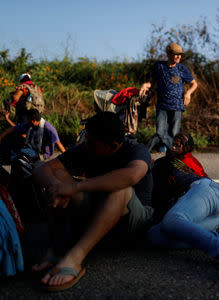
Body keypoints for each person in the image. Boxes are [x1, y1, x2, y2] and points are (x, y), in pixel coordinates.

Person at [31, 112, 154, 291]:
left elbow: (132, 175)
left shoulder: (135, 149)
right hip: (99, 211)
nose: (87, 145)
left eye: (92, 143)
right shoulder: (89, 147)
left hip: (133, 220)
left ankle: (75, 257)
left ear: (113, 146)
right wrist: (57, 187)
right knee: (56, 174)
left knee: (120, 188)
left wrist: (74, 188)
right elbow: (43, 169)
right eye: (87, 140)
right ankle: (58, 247)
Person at [148, 133, 219, 280]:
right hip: (204, 213)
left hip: (203, 190)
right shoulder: (166, 165)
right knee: (155, 235)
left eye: (178, 144)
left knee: (172, 220)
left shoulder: (161, 164)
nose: (173, 147)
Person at [139, 43, 198, 153]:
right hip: (162, 105)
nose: (179, 57)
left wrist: (188, 94)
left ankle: (166, 156)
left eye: (180, 54)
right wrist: (145, 85)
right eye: (176, 54)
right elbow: (151, 83)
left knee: (174, 134)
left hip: (177, 106)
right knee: (160, 132)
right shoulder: (159, 66)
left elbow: (194, 84)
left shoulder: (182, 69)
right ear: (169, 54)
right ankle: (174, 153)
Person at [0, 109, 65, 161]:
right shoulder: (30, 124)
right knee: (13, 149)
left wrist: (67, 156)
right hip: (31, 148)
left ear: (33, 120)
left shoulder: (49, 128)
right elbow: (14, 128)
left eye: (28, 119)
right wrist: (1, 137)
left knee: (18, 153)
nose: (27, 121)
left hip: (41, 154)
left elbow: (58, 143)